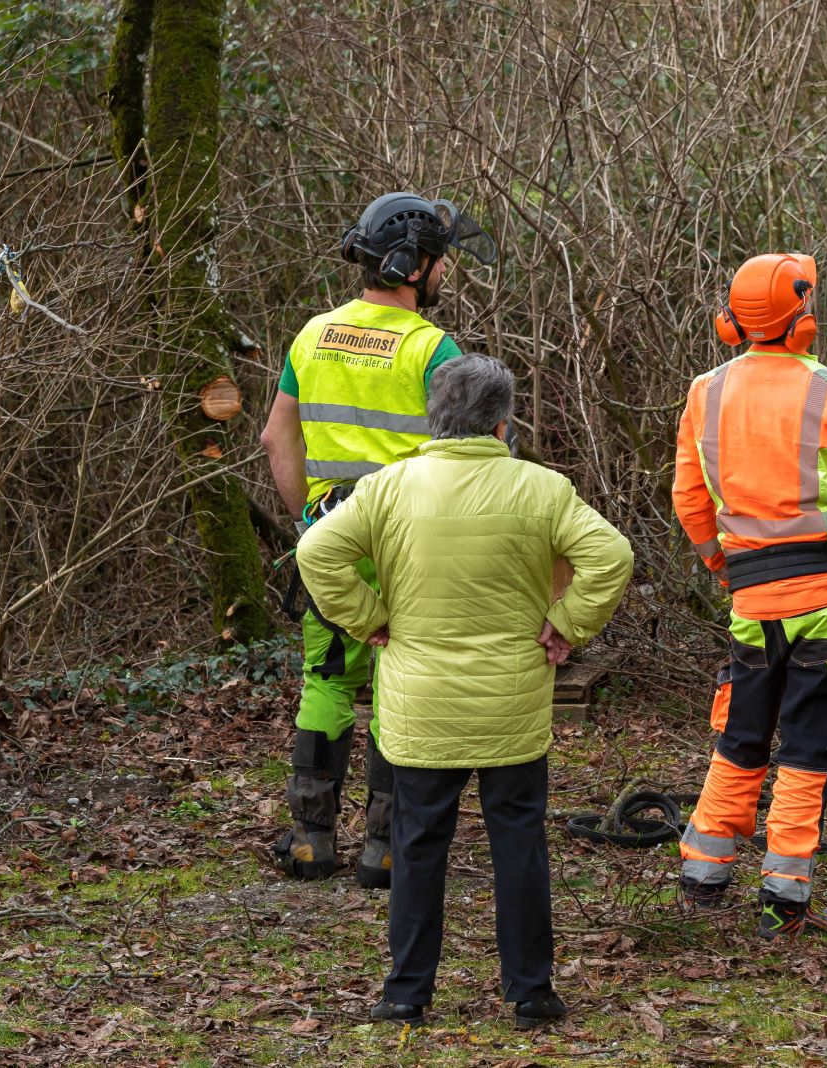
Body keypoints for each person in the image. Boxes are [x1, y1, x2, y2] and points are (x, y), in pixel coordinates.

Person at [295, 354, 633, 1028]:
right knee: (519, 843)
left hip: (421, 707)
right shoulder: (541, 490)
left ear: (435, 418)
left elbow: (315, 553)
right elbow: (611, 556)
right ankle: (531, 992)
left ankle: (405, 994)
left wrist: (369, 620)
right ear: (503, 423)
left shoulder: (390, 488)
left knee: (418, 846)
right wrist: (567, 626)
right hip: (511, 702)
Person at [260, 192, 496, 888]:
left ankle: (309, 839)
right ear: (411, 264)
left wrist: (309, 521)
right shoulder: (433, 348)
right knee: (402, 683)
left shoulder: (311, 336)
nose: (445, 272)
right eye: (439, 260)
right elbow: (476, 452)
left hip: (331, 538)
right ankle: (388, 848)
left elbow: (277, 436)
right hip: (410, 547)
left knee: (327, 680)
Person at [672, 253, 827, 939]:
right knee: (805, 747)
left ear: (732, 322)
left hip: (749, 597)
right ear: (803, 321)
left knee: (741, 733)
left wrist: (719, 560)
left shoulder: (705, 392)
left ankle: (702, 877)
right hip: (825, 598)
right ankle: (785, 897)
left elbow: (687, 497)